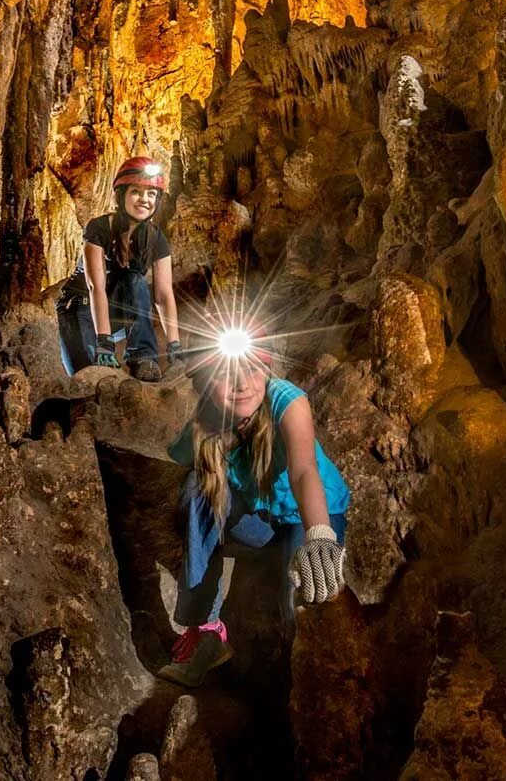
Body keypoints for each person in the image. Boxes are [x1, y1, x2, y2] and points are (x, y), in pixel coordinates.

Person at [157, 327, 352, 687]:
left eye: (253, 370)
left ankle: (304, 681)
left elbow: (304, 470)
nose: (242, 385)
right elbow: (175, 473)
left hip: (307, 517)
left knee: (304, 596)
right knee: (197, 487)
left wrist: (320, 534)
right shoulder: (205, 424)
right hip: (261, 527)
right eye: (226, 376)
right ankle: (206, 630)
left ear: (268, 371)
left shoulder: (287, 400)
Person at [56, 156, 182, 381]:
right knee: (89, 379)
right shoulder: (100, 227)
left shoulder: (156, 237)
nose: (144, 200)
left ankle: (143, 356)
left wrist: (174, 344)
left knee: (134, 279)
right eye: (136, 192)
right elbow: (96, 287)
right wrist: (104, 342)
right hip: (79, 308)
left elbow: (163, 295)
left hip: (116, 311)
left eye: (151, 194)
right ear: (121, 194)